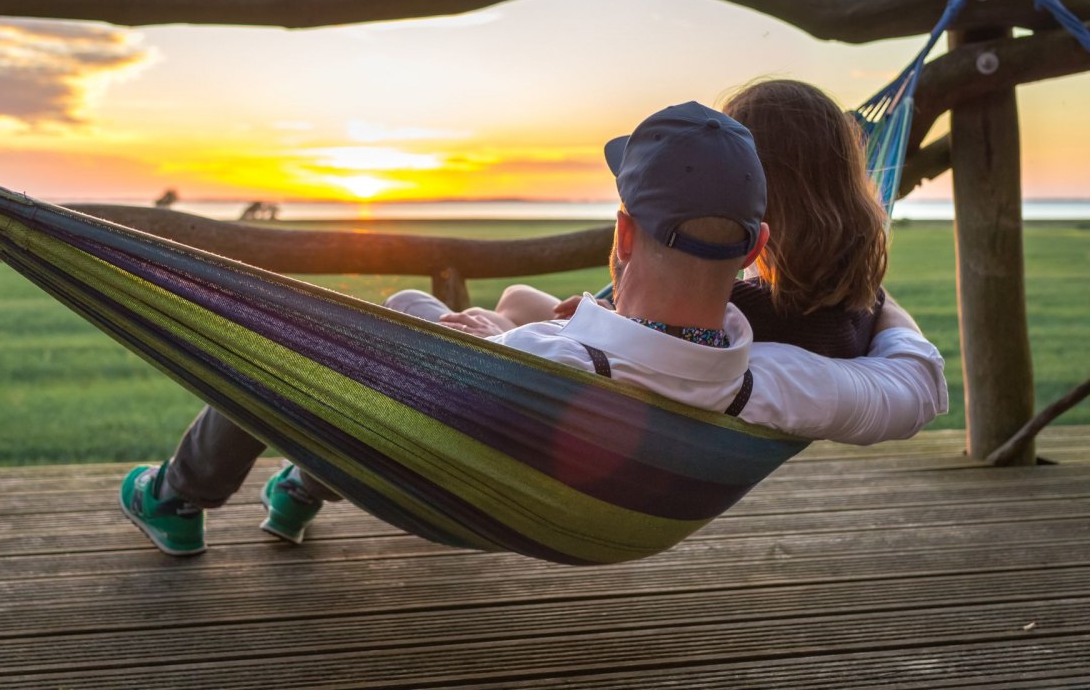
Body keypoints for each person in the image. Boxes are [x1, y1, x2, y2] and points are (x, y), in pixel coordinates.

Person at [119, 101, 948, 557]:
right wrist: (872, 294)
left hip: (460, 445)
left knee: (307, 347)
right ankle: (300, 486)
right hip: (592, 480)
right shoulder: (780, 380)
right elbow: (917, 383)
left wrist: (477, 332)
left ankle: (180, 493)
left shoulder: (540, 357)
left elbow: (475, 369)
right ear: (754, 246)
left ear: (624, 234)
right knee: (425, 326)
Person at [471, 79, 889, 359]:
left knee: (511, 304)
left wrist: (501, 338)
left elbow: (645, 345)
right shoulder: (856, 303)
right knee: (519, 299)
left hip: (613, 379)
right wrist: (606, 313)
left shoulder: (735, 309)